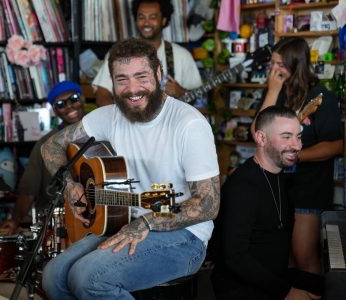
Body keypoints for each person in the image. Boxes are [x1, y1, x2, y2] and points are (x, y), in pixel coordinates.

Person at [41, 38, 219, 300]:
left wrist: (147, 221)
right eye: (122, 79)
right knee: (53, 276)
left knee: (88, 278)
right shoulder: (108, 116)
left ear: (159, 74)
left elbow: (208, 204)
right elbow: (51, 147)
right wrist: (69, 185)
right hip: (123, 221)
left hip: (184, 236)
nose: (132, 89)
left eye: (141, 76)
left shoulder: (189, 124)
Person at [253, 37, 343, 287]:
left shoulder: (320, 95)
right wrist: (272, 91)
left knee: (305, 254)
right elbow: (257, 133)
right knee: (285, 256)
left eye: (280, 64)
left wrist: (296, 154)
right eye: (272, 63)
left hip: (309, 188)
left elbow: (336, 145)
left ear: (297, 64)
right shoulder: (276, 91)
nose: (274, 70)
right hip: (279, 189)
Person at [212, 106, 324, 299]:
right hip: (239, 286)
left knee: (332, 285)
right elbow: (235, 258)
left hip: (270, 276)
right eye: (286, 136)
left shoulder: (279, 175)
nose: (296, 146)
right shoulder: (243, 186)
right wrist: (287, 293)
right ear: (261, 138)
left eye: (298, 136)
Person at [1, 81, 85, 234]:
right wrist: (15, 220)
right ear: (55, 110)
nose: (70, 106)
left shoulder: (101, 132)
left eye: (74, 99)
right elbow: (28, 192)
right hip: (57, 222)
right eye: (61, 104)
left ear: (83, 99)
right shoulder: (45, 144)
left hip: (97, 214)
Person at [92, 0, 202, 106]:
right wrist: (122, 120)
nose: (146, 22)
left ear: (163, 20)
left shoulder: (181, 55)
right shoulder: (119, 53)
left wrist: (181, 92)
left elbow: (195, 98)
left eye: (152, 17)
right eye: (141, 17)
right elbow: (102, 95)